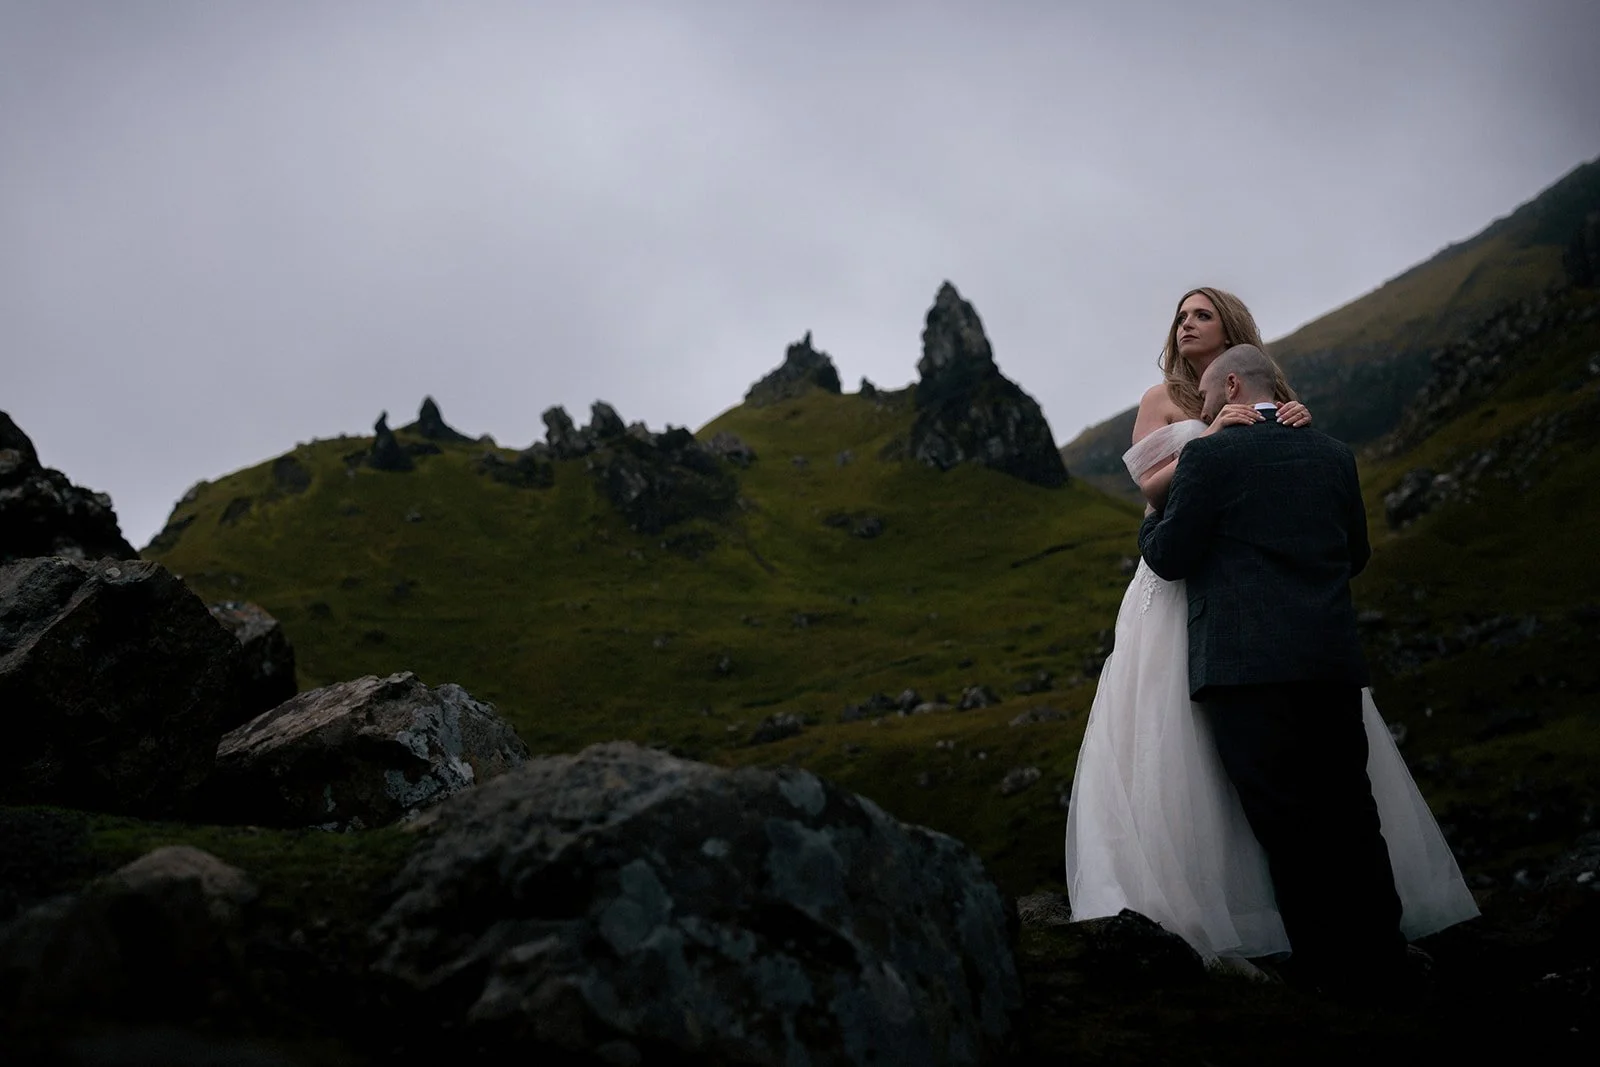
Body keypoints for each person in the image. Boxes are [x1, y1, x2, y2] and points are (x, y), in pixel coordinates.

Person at [1063, 289, 1477, 968]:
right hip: (1318, 643)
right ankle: (1378, 949)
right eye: (1181, 315)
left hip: (1235, 632)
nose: (1185, 323)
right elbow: (1352, 551)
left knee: (1281, 807)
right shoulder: (1326, 451)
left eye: (1201, 313)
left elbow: (1168, 547)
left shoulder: (1239, 441)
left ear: (1231, 366)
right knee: (1349, 802)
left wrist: (1186, 488)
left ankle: (1322, 957)